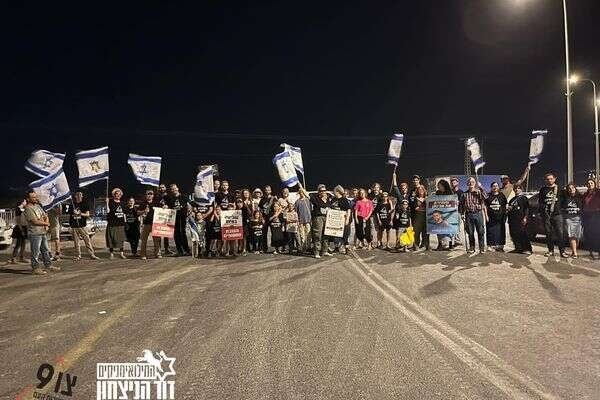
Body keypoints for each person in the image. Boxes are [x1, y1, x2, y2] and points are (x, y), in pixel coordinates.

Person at [23, 190, 57, 274]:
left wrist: (46, 224)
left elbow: (45, 216)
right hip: (34, 233)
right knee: (35, 252)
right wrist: (46, 224)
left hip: (42, 232)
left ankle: (48, 266)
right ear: (28, 199)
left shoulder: (38, 206)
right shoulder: (28, 208)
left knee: (45, 250)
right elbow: (34, 221)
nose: (35, 198)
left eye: (35, 197)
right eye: (33, 197)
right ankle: (35, 268)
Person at [538, 173, 567, 258]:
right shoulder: (543, 189)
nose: (549, 180)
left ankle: (562, 251)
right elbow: (540, 201)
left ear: (554, 179)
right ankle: (550, 250)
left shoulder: (560, 189)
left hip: (557, 215)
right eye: (547, 179)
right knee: (548, 233)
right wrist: (542, 211)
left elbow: (565, 201)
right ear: (545, 180)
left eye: (551, 179)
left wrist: (561, 210)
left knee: (560, 233)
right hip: (546, 215)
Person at [460, 177, 488, 254]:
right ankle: (472, 247)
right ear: (467, 184)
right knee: (470, 232)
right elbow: (461, 205)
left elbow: (486, 197)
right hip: (468, 214)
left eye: (472, 182)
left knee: (481, 231)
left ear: (475, 183)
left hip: (478, 214)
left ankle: (481, 248)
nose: (471, 183)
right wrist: (462, 214)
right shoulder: (464, 194)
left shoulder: (479, 192)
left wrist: (481, 187)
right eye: (469, 182)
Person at [69, 191, 99, 260]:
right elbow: (70, 214)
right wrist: (73, 213)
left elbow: (87, 214)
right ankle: (78, 255)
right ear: (75, 196)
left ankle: (92, 254)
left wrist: (80, 214)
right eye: (77, 195)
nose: (79, 196)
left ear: (82, 196)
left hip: (82, 225)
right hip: (74, 226)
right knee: (76, 242)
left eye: (80, 195)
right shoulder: (72, 204)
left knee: (87, 240)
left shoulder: (85, 204)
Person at [506, 184, 532, 254]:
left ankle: (527, 249)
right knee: (514, 234)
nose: (516, 190)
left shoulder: (524, 198)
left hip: (521, 219)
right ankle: (518, 248)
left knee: (523, 234)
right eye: (515, 188)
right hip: (512, 220)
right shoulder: (512, 200)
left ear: (521, 189)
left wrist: (525, 217)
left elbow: (527, 208)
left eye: (518, 188)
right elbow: (509, 209)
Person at [166, 184, 190, 256]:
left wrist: (190, 211)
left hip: (182, 217)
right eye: (172, 189)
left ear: (177, 188)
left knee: (183, 233)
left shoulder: (184, 197)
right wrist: (165, 206)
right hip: (174, 218)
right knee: (176, 234)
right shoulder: (170, 198)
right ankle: (179, 250)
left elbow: (189, 205)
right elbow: (168, 206)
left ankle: (186, 250)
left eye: (175, 188)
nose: (174, 190)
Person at [310, 184, 332, 258]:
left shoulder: (328, 198)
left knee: (326, 234)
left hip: (327, 217)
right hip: (318, 217)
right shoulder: (315, 198)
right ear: (318, 191)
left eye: (324, 190)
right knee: (318, 234)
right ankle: (317, 251)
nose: (323, 192)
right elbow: (309, 195)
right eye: (321, 191)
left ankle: (325, 250)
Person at [139, 190, 162, 259]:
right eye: (148, 194)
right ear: (146, 195)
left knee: (157, 240)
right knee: (144, 240)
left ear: (153, 195)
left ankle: (158, 253)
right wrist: (144, 211)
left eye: (151, 194)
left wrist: (165, 207)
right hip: (146, 224)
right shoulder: (143, 203)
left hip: (155, 224)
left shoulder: (157, 203)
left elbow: (163, 210)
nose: (149, 195)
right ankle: (143, 254)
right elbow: (138, 212)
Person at [562, 183, 583, 259]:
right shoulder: (565, 198)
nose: (571, 190)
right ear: (567, 190)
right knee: (571, 235)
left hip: (578, 218)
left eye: (573, 188)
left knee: (577, 236)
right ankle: (575, 252)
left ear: (575, 188)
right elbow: (562, 207)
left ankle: (574, 251)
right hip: (569, 218)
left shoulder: (580, 197)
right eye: (569, 189)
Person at [485, 182, 508, 252]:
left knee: (501, 232)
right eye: (493, 186)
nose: (495, 187)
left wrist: (505, 215)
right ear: (491, 187)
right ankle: (490, 245)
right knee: (490, 232)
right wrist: (486, 216)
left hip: (500, 218)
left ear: (498, 187)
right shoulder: (488, 195)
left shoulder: (502, 195)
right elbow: (485, 206)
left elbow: (505, 205)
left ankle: (500, 246)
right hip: (491, 218)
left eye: (496, 186)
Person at [106, 188, 126, 259]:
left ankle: (121, 253)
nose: (118, 195)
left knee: (121, 239)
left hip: (120, 224)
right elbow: (107, 211)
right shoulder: (110, 202)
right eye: (116, 194)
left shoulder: (123, 203)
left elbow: (124, 214)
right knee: (111, 239)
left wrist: (125, 222)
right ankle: (111, 254)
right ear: (114, 195)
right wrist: (107, 203)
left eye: (119, 194)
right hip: (112, 223)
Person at [330, 185, 352, 254]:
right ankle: (336, 248)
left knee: (345, 234)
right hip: (335, 220)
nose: (333, 193)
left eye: (334, 191)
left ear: (337, 192)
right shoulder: (333, 199)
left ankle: (347, 248)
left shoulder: (344, 200)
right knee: (336, 234)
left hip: (343, 220)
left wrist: (347, 219)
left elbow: (348, 210)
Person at [582, 178, 600, 260]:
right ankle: (591, 251)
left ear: (594, 184)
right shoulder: (585, 194)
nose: (590, 185)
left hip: (596, 215)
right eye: (588, 183)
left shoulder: (598, 193)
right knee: (588, 234)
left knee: (596, 234)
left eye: (591, 183)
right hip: (586, 215)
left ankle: (597, 252)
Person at [434, 179, 453, 250]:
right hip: (439, 214)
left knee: (449, 230)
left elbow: (452, 202)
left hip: (448, 214)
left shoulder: (450, 192)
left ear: (443, 185)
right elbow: (434, 201)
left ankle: (450, 245)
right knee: (439, 230)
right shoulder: (437, 192)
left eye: (439, 185)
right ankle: (440, 245)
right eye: (438, 186)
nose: (438, 187)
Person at [258, 185, 277, 252]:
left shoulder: (274, 198)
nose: (267, 191)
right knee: (264, 234)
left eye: (268, 190)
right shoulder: (262, 199)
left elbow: (277, 208)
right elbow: (260, 210)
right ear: (264, 191)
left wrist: (275, 216)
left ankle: (275, 248)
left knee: (274, 233)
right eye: (266, 190)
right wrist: (261, 218)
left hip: (272, 218)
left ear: (271, 191)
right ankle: (264, 248)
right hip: (264, 218)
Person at [411, 185, 429, 251]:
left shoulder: (427, 198)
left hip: (425, 217)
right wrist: (424, 208)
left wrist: (421, 207)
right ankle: (416, 245)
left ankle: (424, 245)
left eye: (422, 189)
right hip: (417, 217)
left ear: (424, 190)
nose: (421, 190)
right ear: (417, 191)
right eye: (419, 189)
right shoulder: (415, 199)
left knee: (425, 232)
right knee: (416, 232)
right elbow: (416, 208)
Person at [157, 183, 173, 255]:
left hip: (166, 216)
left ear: (165, 188)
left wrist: (168, 206)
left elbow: (172, 204)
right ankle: (159, 249)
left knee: (166, 233)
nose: (161, 189)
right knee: (158, 233)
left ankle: (167, 249)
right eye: (160, 188)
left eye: (163, 187)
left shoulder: (169, 196)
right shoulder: (157, 196)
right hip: (158, 216)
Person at [295, 187, 312, 253]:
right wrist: (297, 220)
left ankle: (309, 247)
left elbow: (310, 209)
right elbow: (296, 212)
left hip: (308, 220)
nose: (301, 193)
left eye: (302, 192)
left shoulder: (308, 200)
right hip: (301, 221)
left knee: (308, 234)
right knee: (302, 235)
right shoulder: (297, 202)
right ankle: (303, 247)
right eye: (300, 192)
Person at [9, 199, 27, 264]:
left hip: (23, 227)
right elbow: (18, 221)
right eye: (25, 201)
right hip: (20, 228)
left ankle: (21, 257)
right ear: (22, 202)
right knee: (18, 244)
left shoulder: (21, 209)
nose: (26, 202)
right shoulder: (18, 209)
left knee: (23, 243)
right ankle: (13, 258)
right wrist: (21, 230)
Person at [368, 182, 383, 247]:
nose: (376, 188)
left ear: (379, 188)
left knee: (379, 228)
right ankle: (371, 242)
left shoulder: (381, 195)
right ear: (373, 188)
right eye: (375, 187)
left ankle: (379, 242)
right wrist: (369, 193)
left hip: (379, 214)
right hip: (372, 214)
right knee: (371, 228)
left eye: (377, 187)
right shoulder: (370, 195)